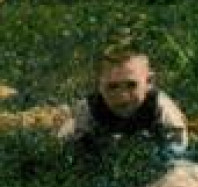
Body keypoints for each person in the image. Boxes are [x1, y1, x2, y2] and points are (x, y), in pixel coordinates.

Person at [58, 44, 190, 153]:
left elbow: (177, 144)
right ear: (98, 85)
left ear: (149, 82)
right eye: (112, 87)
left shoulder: (160, 106)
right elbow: (71, 151)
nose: (123, 96)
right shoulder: (89, 109)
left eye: (132, 85)